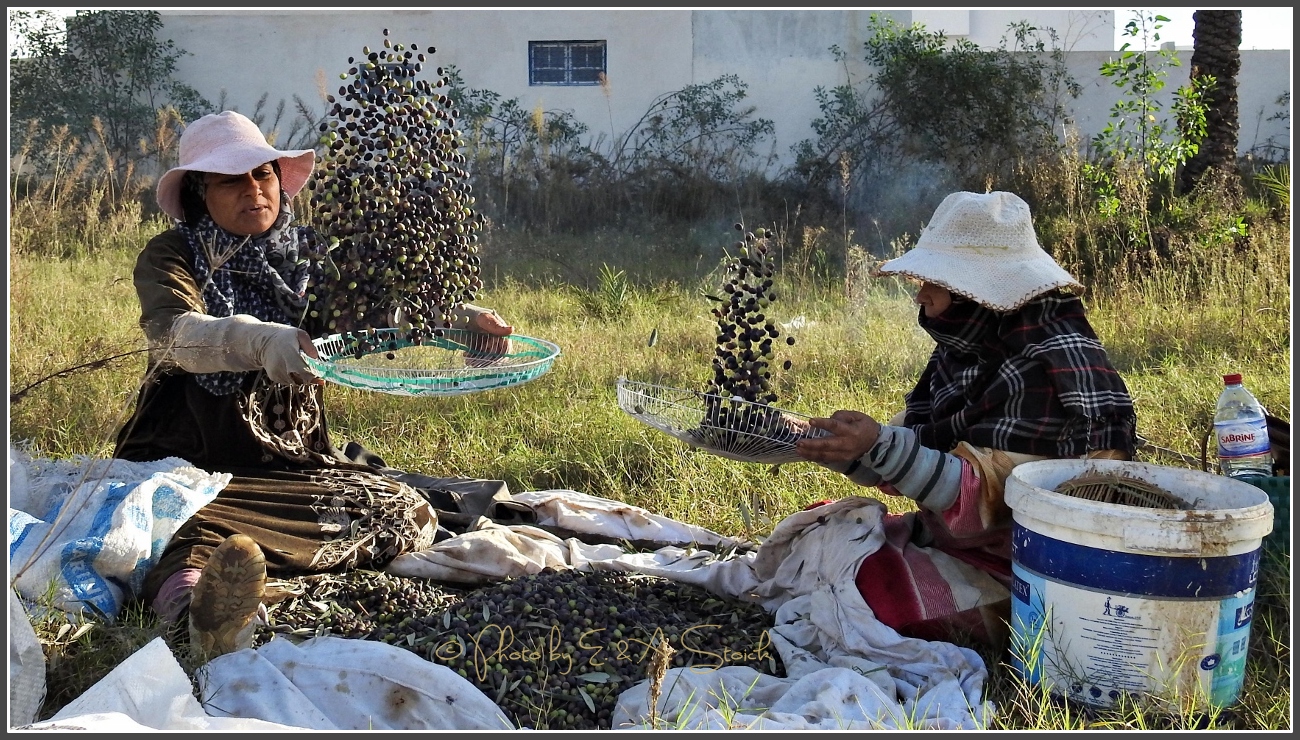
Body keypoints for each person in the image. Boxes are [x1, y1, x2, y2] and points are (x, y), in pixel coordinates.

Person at [114, 110, 519, 659]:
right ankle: (195, 608)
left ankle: (244, 565)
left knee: (402, 508)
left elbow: (380, 313)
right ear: (197, 194)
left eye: (263, 174)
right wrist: (258, 341)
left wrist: (460, 319)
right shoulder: (173, 254)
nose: (254, 190)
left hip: (290, 467)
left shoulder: (313, 254)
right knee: (173, 516)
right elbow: (173, 335)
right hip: (187, 463)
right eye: (231, 179)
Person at [796, 190, 1137, 647]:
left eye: (935, 280)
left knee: (866, 595)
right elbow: (917, 454)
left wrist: (878, 446)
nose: (921, 293)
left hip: (1031, 574)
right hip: (961, 546)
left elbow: (989, 501)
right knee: (816, 541)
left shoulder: (1051, 368)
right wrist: (837, 448)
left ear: (978, 292)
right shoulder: (969, 350)